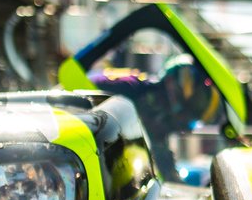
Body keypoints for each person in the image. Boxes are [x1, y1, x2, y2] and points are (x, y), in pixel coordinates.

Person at [94, 56, 222, 182]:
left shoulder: (159, 143)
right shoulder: (129, 88)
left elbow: (171, 181)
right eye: (187, 116)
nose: (183, 127)